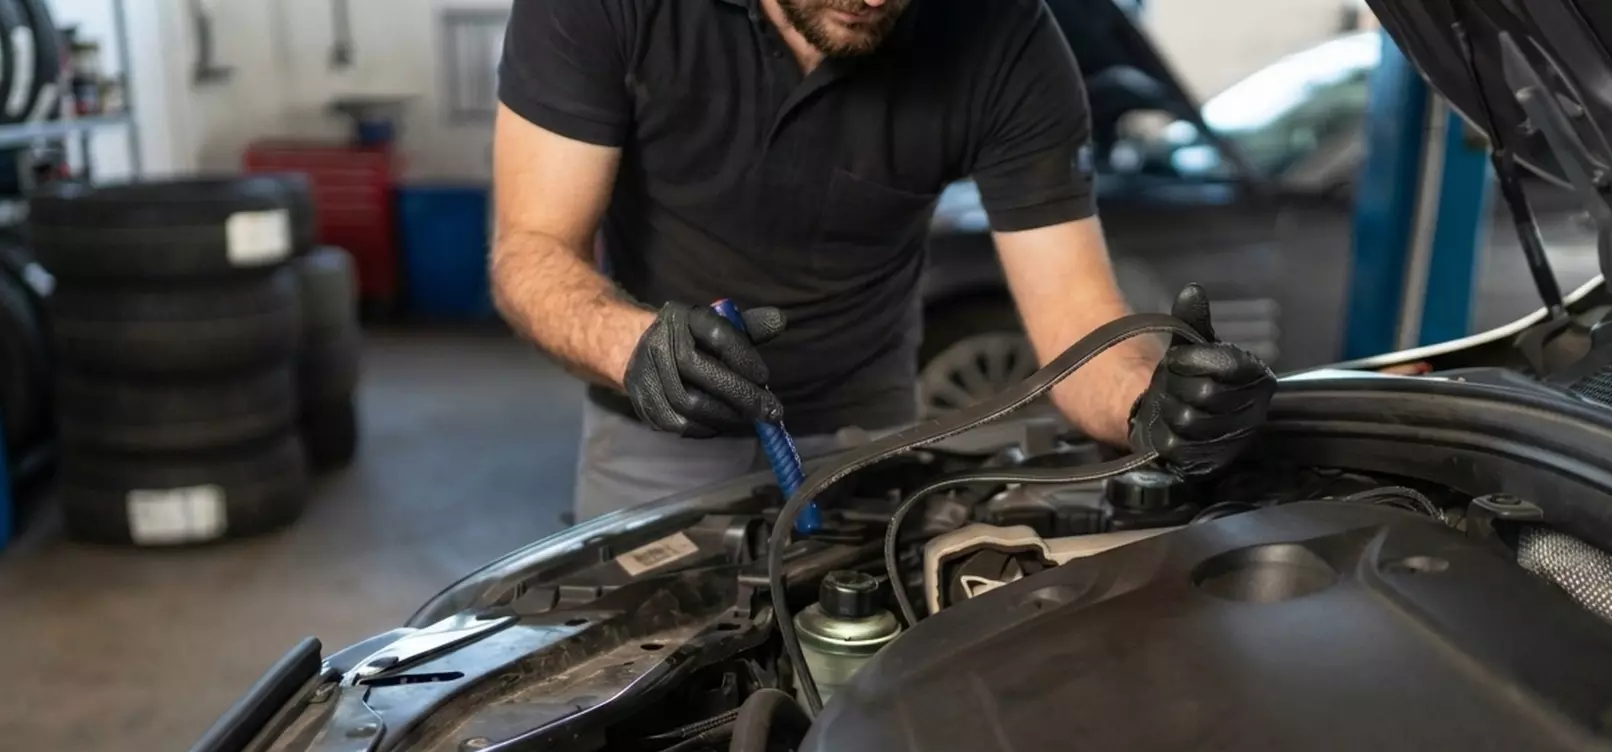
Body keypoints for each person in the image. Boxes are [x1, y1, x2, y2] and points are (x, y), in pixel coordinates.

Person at [493, 0, 1276, 522]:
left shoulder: (1005, 39)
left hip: (869, 436)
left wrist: (1152, 402)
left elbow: (1078, 323)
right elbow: (530, 251)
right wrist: (629, 346)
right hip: (654, 441)